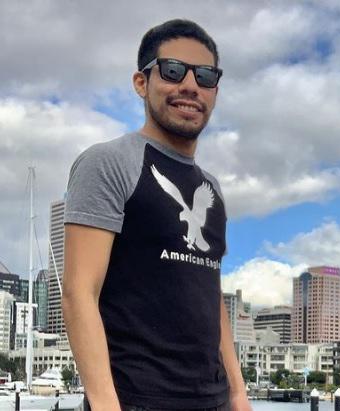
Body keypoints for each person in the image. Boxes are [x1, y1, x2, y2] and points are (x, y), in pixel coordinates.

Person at [62, 19, 252, 411]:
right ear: (141, 82)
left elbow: (210, 296)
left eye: (205, 76)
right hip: (137, 400)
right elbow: (79, 292)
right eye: (173, 70)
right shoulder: (109, 163)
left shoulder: (212, 187)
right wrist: (105, 404)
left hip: (214, 400)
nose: (190, 85)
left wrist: (238, 393)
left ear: (215, 91)